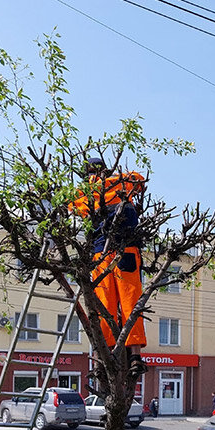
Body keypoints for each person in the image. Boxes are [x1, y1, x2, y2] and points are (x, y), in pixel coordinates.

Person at [70, 156, 148, 377]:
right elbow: (140, 180)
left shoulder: (83, 195)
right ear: (106, 169)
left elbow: (69, 207)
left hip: (100, 254)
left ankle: (101, 362)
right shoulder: (122, 181)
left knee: (104, 307)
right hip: (127, 250)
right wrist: (116, 180)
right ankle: (134, 356)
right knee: (131, 303)